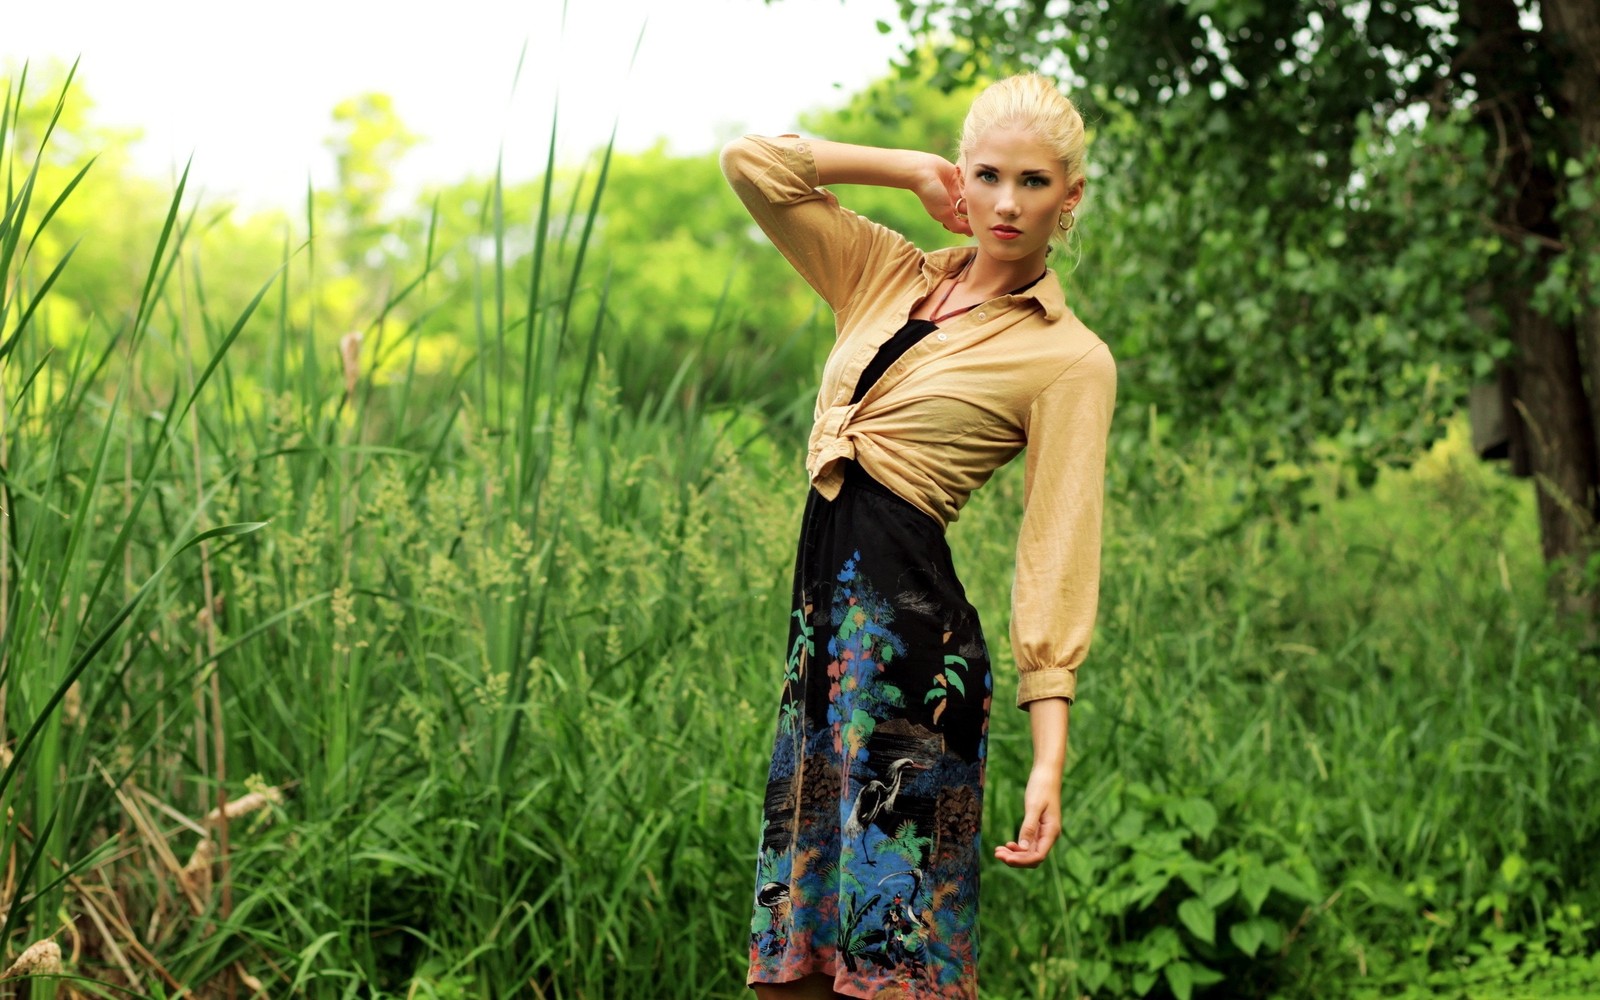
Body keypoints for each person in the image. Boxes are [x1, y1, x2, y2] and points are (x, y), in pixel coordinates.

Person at [721, 73, 1117, 1000]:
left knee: (896, 967)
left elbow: (1056, 551)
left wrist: (1049, 754)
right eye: (986, 175)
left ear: (1071, 198)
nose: (1006, 204)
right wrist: (905, 170)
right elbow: (753, 167)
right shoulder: (883, 271)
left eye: (1034, 182)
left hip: (913, 662)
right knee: (799, 968)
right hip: (821, 654)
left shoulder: (1068, 357)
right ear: (961, 177)